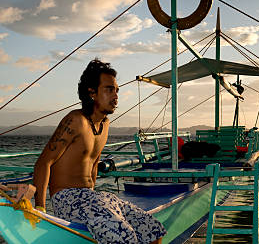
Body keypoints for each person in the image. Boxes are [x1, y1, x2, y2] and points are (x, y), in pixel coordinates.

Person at [34, 59, 166, 244]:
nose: (116, 95)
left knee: (153, 231)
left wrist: (96, 198)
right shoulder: (75, 121)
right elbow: (43, 162)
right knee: (125, 236)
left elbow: (94, 162)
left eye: (117, 90)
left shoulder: (105, 124)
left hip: (93, 196)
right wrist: (40, 208)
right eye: (109, 89)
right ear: (92, 93)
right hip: (68, 199)